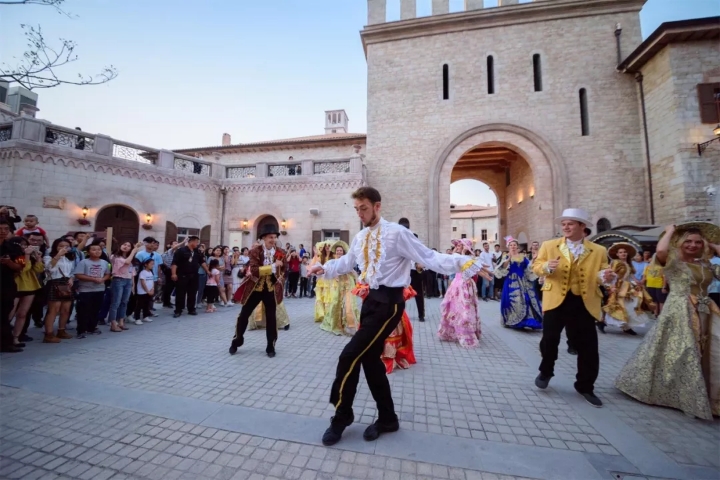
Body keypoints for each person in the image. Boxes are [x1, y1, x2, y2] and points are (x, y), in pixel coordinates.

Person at [307, 187, 491, 446]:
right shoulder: (360, 237)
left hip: (390, 304)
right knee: (370, 360)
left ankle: (342, 414)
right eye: (357, 209)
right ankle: (388, 418)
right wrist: (322, 268)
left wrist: (465, 263)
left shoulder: (397, 233)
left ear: (377, 206)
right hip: (370, 301)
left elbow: (429, 257)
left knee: (350, 355)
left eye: (364, 208)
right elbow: (347, 262)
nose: (360, 214)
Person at [615, 222, 720, 419]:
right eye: (687, 241)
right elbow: (661, 250)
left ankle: (708, 393)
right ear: (679, 243)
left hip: (706, 310)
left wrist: (713, 245)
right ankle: (680, 394)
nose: (692, 245)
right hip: (680, 309)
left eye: (697, 242)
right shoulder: (674, 262)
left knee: (711, 350)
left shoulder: (706, 264)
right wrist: (671, 230)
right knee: (684, 350)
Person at [532, 208, 615, 407]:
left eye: (570, 224)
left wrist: (606, 277)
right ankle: (546, 370)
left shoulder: (598, 251)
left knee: (588, 346)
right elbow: (536, 267)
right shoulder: (550, 245)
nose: (566, 227)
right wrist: (546, 268)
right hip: (556, 299)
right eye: (563, 224)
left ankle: (585, 386)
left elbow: (602, 273)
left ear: (582, 227)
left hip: (584, 301)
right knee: (549, 339)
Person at [229, 225, 287, 357]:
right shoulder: (255, 251)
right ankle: (236, 340)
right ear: (263, 238)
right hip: (255, 288)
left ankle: (270, 346)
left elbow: (284, 270)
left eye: (275, 237)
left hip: (270, 289)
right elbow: (254, 270)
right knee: (244, 314)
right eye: (270, 237)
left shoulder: (281, 252)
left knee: (272, 318)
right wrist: (272, 266)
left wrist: (280, 279)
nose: (273, 240)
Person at [438, 238, 492, 348]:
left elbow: (478, 269)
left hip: (465, 286)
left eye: (460, 245)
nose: (457, 247)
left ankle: (465, 333)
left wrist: (488, 274)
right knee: (454, 308)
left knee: (465, 310)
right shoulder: (458, 257)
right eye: (457, 245)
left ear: (465, 247)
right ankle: (453, 332)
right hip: (457, 285)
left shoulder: (467, 258)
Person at [601, 242, 655, 335]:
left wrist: (636, 283)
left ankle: (626, 326)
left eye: (625, 252)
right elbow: (609, 275)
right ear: (617, 254)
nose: (623, 254)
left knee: (630, 305)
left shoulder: (628, 263)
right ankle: (602, 322)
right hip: (618, 287)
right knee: (616, 306)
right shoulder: (616, 262)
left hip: (627, 287)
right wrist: (611, 287)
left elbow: (630, 275)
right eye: (621, 252)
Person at [495, 237, 543, 330]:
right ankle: (514, 320)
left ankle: (527, 319)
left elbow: (528, 267)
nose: (513, 247)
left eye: (514, 245)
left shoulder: (522, 256)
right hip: (511, 282)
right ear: (508, 246)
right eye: (511, 245)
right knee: (513, 300)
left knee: (526, 299)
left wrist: (533, 260)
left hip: (523, 281)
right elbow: (501, 268)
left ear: (517, 247)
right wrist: (508, 259)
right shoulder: (505, 256)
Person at [8, 236, 44, 347]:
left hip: (29, 286)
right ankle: (5, 336)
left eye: (25, 244)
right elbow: (24, 269)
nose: (25, 247)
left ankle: (16, 338)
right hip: (16, 286)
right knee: (9, 314)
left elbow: (39, 270)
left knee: (23, 314)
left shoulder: (30, 256)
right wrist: (27, 255)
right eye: (22, 245)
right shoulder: (13, 257)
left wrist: (38, 258)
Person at [42, 237, 77, 343]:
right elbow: (48, 269)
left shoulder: (69, 258)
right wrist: (58, 255)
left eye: (66, 246)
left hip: (67, 283)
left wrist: (72, 278)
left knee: (66, 309)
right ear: (55, 247)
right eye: (60, 246)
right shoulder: (49, 257)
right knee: (54, 309)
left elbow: (72, 271)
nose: (63, 248)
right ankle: (49, 333)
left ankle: (61, 330)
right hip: (55, 282)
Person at [320, 241, 359, 336]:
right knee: (336, 303)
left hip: (348, 284)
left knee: (349, 304)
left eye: (341, 250)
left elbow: (353, 272)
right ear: (335, 252)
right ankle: (338, 325)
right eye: (337, 250)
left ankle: (350, 327)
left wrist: (357, 280)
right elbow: (326, 271)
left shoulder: (347, 261)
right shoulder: (332, 262)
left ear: (343, 251)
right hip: (338, 285)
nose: (339, 252)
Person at [72, 244, 111, 339]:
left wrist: (103, 279)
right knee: (83, 310)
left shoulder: (104, 263)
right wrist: (92, 279)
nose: (97, 251)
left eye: (99, 249)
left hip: (99, 289)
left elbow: (107, 274)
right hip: (85, 290)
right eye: (94, 250)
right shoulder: (84, 262)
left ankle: (92, 327)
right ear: (88, 252)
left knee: (95, 309)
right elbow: (78, 275)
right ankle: (81, 330)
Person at [108, 241, 144, 333]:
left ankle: (121, 322)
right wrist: (134, 250)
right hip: (118, 280)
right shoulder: (115, 256)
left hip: (128, 281)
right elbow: (126, 262)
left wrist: (133, 285)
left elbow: (132, 273)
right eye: (124, 244)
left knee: (124, 302)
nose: (126, 247)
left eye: (128, 246)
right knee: (116, 302)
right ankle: (113, 323)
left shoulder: (132, 259)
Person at [171, 236, 209, 318]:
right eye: (196, 242)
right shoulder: (181, 251)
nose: (197, 244)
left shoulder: (197, 252)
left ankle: (191, 309)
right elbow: (174, 263)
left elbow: (202, 262)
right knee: (180, 293)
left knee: (192, 293)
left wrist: (207, 271)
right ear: (191, 242)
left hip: (194, 275)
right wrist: (173, 274)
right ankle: (178, 310)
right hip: (182, 275)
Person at [0, 223, 25, 352]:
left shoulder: (13, 248)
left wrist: (9, 263)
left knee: (4, 314)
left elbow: (21, 266)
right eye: (0, 229)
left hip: (6, 285)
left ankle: (6, 343)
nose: (3, 231)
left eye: (6, 229)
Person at [397, 219, 425, 322]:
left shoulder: (414, 237)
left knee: (419, 294)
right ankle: (399, 315)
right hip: (403, 271)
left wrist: (420, 263)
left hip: (414, 271)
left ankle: (421, 315)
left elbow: (419, 252)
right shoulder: (398, 239)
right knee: (400, 294)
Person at [311, 241, 333, 322]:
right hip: (320, 280)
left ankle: (328, 313)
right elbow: (313, 266)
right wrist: (315, 255)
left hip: (329, 280)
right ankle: (320, 314)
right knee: (319, 296)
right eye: (326, 246)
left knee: (328, 297)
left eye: (329, 245)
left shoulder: (333, 257)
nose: (327, 247)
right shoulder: (321, 257)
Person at [134, 258, 156, 324]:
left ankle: (145, 316)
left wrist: (152, 289)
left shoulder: (150, 272)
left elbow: (152, 281)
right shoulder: (143, 272)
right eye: (151, 264)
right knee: (139, 305)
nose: (152, 265)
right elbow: (143, 283)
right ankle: (137, 318)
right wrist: (147, 291)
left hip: (149, 292)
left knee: (146, 304)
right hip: (142, 292)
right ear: (146, 264)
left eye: (153, 264)